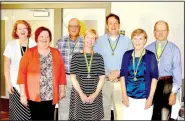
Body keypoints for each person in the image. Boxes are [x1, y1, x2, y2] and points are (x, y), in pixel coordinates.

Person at [17, 26, 66, 120]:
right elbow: (21, 74)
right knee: (36, 117)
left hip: (51, 94)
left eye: (47, 37)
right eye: (41, 36)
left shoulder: (56, 52)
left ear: (50, 39)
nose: (44, 39)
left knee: (49, 117)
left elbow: (61, 72)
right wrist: (22, 94)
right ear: (37, 38)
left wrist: (62, 89)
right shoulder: (29, 53)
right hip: (33, 94)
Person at [93, 13, 132, 120]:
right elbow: (96, 60)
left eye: (115, 23)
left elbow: (131, 61)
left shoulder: (127, 41)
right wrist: (108, 73)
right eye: (110, 23)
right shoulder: (100, 41)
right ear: (107, 26)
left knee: (120, 113)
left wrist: (119, 72)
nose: (113, 26)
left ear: (119, 25)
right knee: (104, 113)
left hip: (121, 82)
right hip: (104, 81)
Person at [146, 20, 182, 120]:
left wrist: (173, 93)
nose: (160, 33)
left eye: (163, 30)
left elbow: (177, 73)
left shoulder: (174, 49)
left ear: (168, 32)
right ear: (154, 32)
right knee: (151, 116)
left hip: (167, 85)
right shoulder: (147, 49)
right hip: (151, 85)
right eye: (158, 30)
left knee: (164, 117)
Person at [120, 29, 159, 120]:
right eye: (135, 38)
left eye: (140, 39)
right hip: (128, 98)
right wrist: (124, 95)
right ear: (132, 40)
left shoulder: (150, 56)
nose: (137, 42)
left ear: (145, 40)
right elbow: (122, 76)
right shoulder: (126, 55)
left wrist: (150, 98)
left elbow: (154, 78)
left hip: (144, 99)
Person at [69, 29, 105, 120]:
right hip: (79, 92)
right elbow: (73, 77)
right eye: (88, 37)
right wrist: (81, 94)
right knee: (79, 118)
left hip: (94, 92)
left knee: (93, 117)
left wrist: (95, 94)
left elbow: (102, 78)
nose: (90, 40)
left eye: (93, 38)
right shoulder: (76, 56)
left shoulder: (99, 57)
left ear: (95, 40)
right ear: (84, 39)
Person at [3, 20, 36, 120]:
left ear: (28, 30)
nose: (22, 31)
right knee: (17, 113)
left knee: (31, 113)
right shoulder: (11, 45)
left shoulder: (35, 44)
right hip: (15, 83)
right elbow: (6, 66)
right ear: (16, 32)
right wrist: (8, 84)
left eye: (24, 28)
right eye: (19, 29)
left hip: (31, 85)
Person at [56, 18, 84, 120]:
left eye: (76, 26)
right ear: (68, 28)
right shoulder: (60, 41)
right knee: (64, 106)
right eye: (71, 26)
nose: (74, 28)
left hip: (80, 78)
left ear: (79, 28)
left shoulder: (85, 41)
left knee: (80, 107)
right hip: (65, 78)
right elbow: (57, 63)